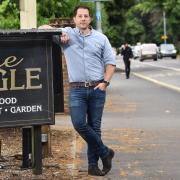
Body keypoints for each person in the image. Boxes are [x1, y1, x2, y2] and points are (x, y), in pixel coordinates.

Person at [56, 5, 116, 176]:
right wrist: (59, 33)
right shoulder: (66, 34)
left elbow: (110, 63)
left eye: (86, 16)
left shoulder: (101, 38)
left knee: (94, 128)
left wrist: (105, 82)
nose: (83, 19)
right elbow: (41, 29)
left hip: (97, 88)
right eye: (80, 16)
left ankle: (92, 166)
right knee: (79, 123)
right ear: (74, 19)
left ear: (90, 19)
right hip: (77, 90)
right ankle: (106, 152)